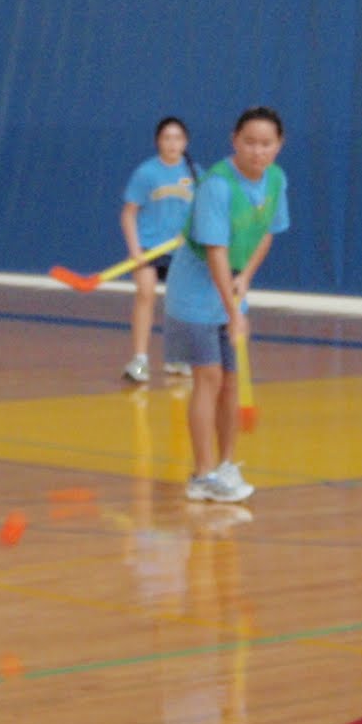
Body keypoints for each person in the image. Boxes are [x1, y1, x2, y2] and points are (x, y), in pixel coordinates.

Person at [162, 107, 289, 504]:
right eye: (249, 142)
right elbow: (216, 252)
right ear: (234, 140)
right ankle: (202, 476)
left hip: (231, 285)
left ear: (279, 145)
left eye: (266, 143)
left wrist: (246, 277)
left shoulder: (276, 180)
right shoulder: (217, 186)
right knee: (209, 378)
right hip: (195, 292)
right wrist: (234, 313)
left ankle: (227, 465)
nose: (258, 151)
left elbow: (267, 232)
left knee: (232, 382)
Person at [119, 116, 198, 384]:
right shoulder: (147, 173)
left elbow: (204, 210)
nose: (172, 143)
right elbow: (128, 214)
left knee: (181, 303)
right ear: (158, 141)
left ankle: (177, 358)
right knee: (146, 293)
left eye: (178, 138)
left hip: (181, 251)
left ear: (185, 142)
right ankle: (140, 360)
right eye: (167, 138)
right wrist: (135, 250)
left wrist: (192, 233)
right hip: (149, 247)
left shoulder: (195, 173)